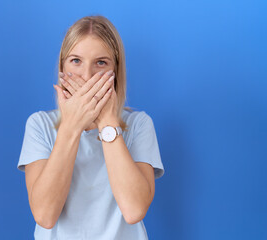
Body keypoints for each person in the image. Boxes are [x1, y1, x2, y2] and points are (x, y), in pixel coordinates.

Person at [17, 15, 165, 240]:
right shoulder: (40, 125)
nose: (87, 76)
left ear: (115, 71)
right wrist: (71, 126)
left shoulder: (139, 124)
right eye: (76, 61)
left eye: (101, 62)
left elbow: (134, 210)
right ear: (62, 66)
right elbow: (45, 215)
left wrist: (107, 121)